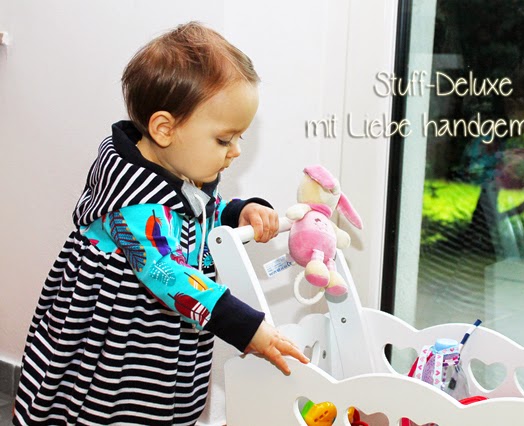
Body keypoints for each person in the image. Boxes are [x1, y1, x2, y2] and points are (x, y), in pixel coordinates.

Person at [12, 22, 308, 426]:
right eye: (224, 140)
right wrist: (245, 326)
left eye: (240, 138)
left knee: (168, 403)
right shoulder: (133, 204)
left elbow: (196, 210)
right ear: (164, 129)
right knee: (114, 408)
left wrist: (235, 212)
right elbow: (166, 271)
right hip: (118, 338)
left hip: (166, 331)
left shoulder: (177, 170)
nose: (236, 151)